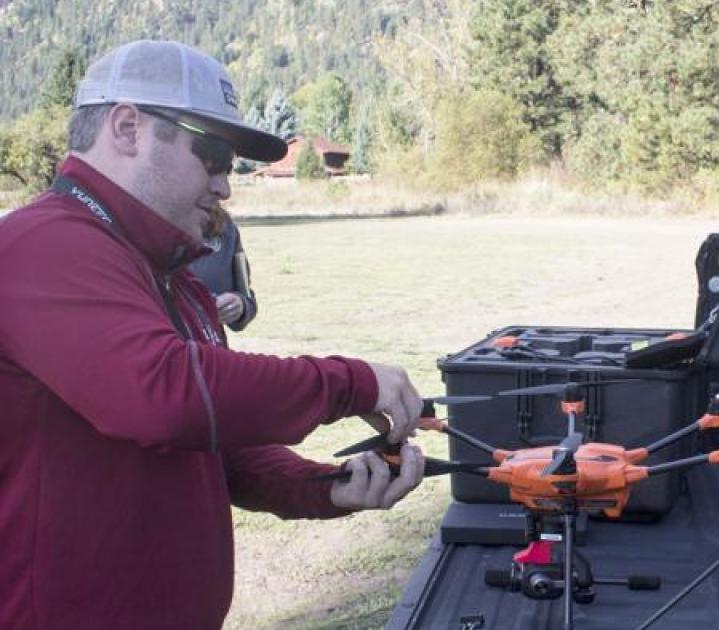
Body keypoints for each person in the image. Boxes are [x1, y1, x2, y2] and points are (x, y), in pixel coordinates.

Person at [0, 40, 425, 629]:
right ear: (127, 128)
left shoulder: (176, 278)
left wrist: (325, 487)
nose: (226, 185)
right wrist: (349, 383)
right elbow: (166, 394)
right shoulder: (40, 246)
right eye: (214, 155)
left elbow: (220, 450)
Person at [189, 204, 257, 331]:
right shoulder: (153, 223)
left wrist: (239, 306)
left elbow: (247, 298)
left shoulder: (227, 228)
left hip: (210, 345)